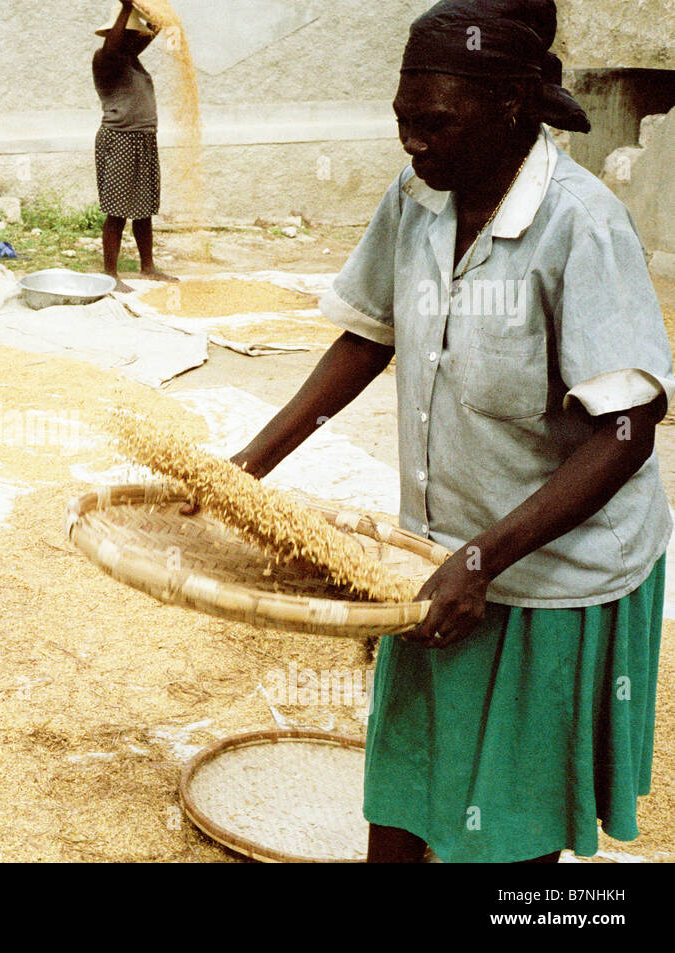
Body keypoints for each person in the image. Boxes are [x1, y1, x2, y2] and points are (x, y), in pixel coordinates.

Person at [194, 0, 671, 862]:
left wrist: (483, 559)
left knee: (507, 836)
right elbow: (366, 334)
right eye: (403, 121)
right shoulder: (419, 198)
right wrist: (244, 469)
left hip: (549, 574)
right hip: (436, 560)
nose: (413, 142)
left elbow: (628, 431)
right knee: (404, 805)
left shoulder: (581, 224)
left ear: (513, 105)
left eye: (436, 122)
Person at [93, 1, 178, 292]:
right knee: (117, 209)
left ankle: (148, 267)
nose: (133, 39)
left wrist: (153, 10)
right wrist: (127, 9)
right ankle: (110, 274)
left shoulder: (130, 57)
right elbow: (117, 44)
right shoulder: (105, 58)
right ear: (115, 35)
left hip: (142, 137)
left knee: (144, 208)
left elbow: (153, 30)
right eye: (128, 35)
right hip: (120, 139)